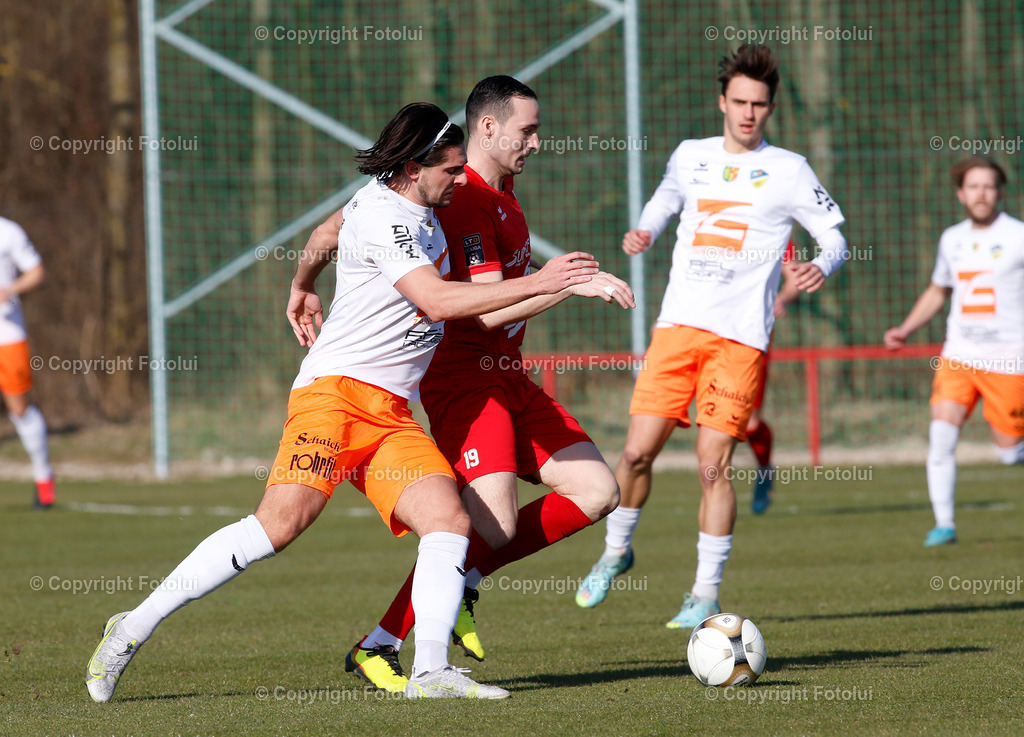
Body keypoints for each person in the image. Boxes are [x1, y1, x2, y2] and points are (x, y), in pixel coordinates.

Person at [85, 102, 601, 702]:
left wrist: (303, 284)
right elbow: (435, 301)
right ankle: (130, 628)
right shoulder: (385, 216)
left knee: (449, 522)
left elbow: (325, 234)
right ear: (413, 167)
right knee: (277, 527)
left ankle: (430, 671)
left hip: (391, 414)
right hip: (332, 399)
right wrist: (545, 279)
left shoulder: (408, 207)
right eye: (451, 170)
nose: (461, 180)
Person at [338, 75, 634, 693]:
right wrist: (562, 284)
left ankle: (463, 582)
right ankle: (382, 642)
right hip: (465, 379)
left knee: (596, 489)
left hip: (508, 377)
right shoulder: (466, 198)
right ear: (488, 128)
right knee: (486, 526)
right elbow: (484, 309)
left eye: (539, 130)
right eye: (527, 130)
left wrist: (558, 284)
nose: (536, 142)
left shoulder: (505, 195)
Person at [575, 44, 849, 627]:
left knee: (711, 465)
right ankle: (616, 552)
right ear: (722, 101)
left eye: (760, 105)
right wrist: (645, 231)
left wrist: (821, 266)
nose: (749, 113)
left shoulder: (790, 169)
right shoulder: (690, 156)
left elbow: (835, 236)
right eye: (740, 102)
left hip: (739, 338)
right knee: (632, 452)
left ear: (771, 108)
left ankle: (703, 593)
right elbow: (666, 200)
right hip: (676, 328)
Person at [884, 156, 1024, 546]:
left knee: (1010, 454)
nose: (981, 193)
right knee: (941, 437)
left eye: (989, 186)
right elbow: (938, 290)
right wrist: (906, 328)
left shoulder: (1019, 235)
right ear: (961, 194)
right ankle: (944, 524)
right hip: (958, 356)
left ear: (999, 192)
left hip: (1009, 359)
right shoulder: (952, 238)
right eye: (974, 186)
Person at [0, 216, 54, 508]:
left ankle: (43, 475)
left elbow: (36, 271)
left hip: (7, 336)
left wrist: (9, 290)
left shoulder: (8, 232)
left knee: (19, 409)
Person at [749, 242, 799, 514]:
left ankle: (764, 470)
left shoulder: (774, 228)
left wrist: (781, 298)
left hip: (753, 335)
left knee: (748, 423)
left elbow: (794, 277)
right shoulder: (709, 218)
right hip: (706, 332)